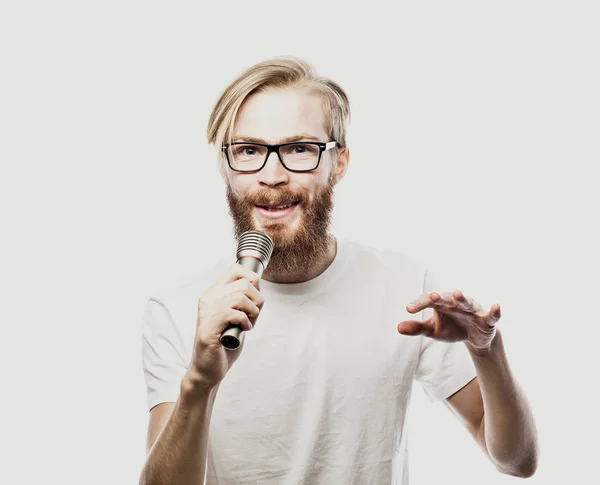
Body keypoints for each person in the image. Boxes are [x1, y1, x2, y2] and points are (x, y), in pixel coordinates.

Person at [139, 57, 538, 485]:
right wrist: (199, 382)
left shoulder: (403, 287)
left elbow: (517, 461)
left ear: (339, 163)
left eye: (299, 149)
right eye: (249, 151)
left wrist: (486, 352)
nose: (272, 176)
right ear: (225, 167)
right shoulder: (179, 309)